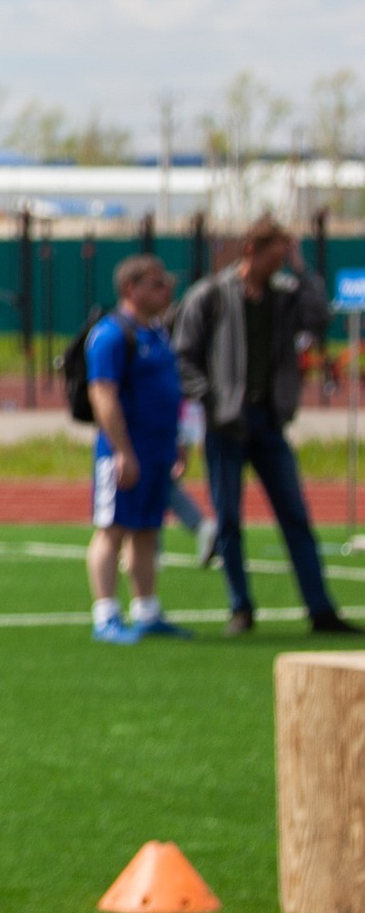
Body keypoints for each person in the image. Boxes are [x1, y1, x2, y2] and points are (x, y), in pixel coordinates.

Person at [174, 220, 357, 640]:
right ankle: (241, 607)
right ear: (252, 248)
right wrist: (211, 400)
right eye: (276, 255)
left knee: (296, 516)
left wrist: (302, 269)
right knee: (229, 519)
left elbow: (320, 318)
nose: (280, 264)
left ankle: (321, 609)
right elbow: (183, 356)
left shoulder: (286, 295)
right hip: (226, 424)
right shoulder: (212, 294)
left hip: (269, 421)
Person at [84, 252, 187, 644]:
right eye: (156, 284)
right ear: (131, 288)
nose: (166, 291)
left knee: (147, 529)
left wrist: (177, 441)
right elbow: (103, 396)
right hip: (126, 450)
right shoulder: (112, 334)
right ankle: (106, 614)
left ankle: (147, 610)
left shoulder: (157, 332)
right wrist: (122, 449)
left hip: (158, 448)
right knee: (112, 529)